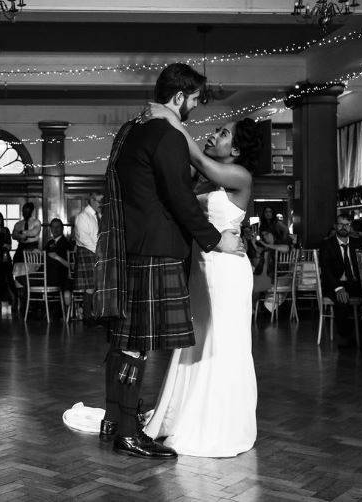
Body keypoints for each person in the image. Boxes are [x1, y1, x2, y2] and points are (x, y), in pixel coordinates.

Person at [93, 63, 243, 459]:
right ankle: (127, 432)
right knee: (136, 345)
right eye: (194, 99)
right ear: (179, 97)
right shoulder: (166, 134)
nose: (195, 106)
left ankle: (116, 420)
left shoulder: (131, 131)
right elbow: (178, 198)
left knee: (124, 341)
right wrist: (216, 242)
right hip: (155, 249)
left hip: (131, 245)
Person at [140, 100, 264, 457]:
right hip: (201, 268)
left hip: (226, 272)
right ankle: (184, 411)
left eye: (223, 133)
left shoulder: (240, 176)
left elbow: (199, 159)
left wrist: (173, 122)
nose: (214, 135)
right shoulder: (206, 179)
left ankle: (217, 420)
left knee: (221, 343)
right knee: (195, 340)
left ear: (236, 149)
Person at [319, 214, 362, 349]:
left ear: (350, 227)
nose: (344, 227)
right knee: (342, 301)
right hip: (334, 283)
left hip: (355, 283)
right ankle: (345, 337)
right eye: (340, 224)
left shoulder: (357, 243)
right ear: (335, 226)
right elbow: (326, 270)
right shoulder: (327, 244)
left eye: (347, 224)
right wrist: (338, 288)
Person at [73, 192, 103, 321]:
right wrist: (98, 251)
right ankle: (87, 317)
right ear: (91, 200)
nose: (101, 204)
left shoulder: (98, 215)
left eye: (102, 201)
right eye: (99, 201)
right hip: (88, 252)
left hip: (97, 252)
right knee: (90, 287)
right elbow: (84, 238)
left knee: (98, 285)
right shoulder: (83, 216)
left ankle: (95, 315)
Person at [45, 218, 72, 311]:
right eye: (53, 227)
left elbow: (70, 265)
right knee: (24, 279)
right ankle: (36, 310)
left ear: (62, 228)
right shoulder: (49, 243)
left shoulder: (67, 243)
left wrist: (55, 257)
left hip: (60, 276)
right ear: (50, 229)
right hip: (47, 274)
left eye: (58, 227)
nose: (55, 229)